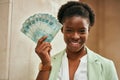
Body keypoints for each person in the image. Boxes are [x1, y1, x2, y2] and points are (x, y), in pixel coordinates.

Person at [35, 1, 118, 80]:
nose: (75, 36)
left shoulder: (106, 66)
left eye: (82, 31)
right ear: (62, 29)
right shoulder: (49, 63)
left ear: (88, 30)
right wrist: (46, 64)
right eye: (69, 30)